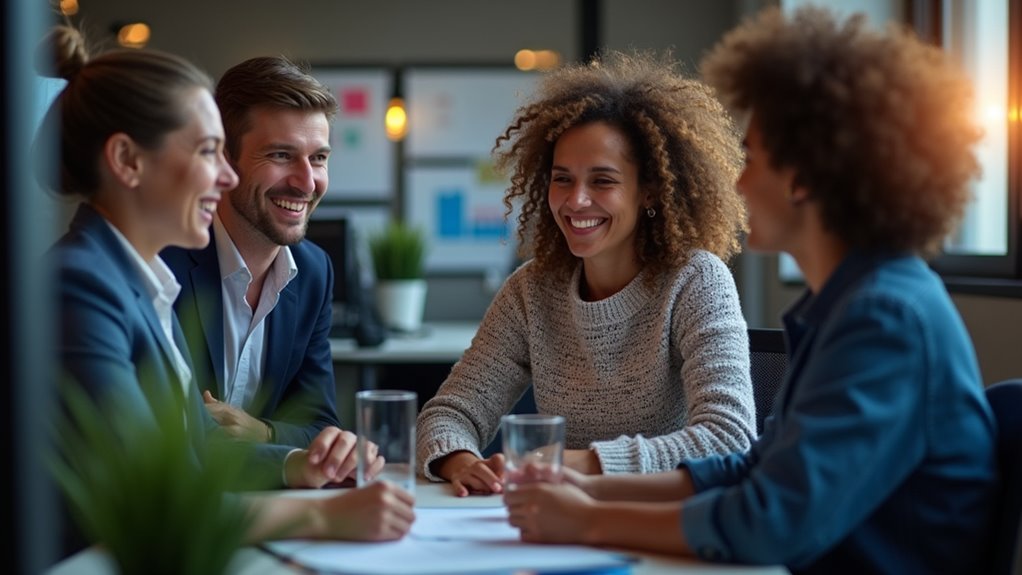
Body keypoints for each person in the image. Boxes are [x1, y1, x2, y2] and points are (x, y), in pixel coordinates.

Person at [502, 7, 998, 573]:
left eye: (753, 158)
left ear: (804, 177)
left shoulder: (885, 320)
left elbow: (769, 522)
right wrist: (585, 488)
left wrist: (587, 521)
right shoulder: (848, 306)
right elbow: (751, 470)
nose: (737, 181)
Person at [42, 31, 413, 544]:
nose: (225, 177)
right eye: (208, 151)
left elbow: (197, 450)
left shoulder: (143, 282)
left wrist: (295, 465)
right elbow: (154, 506)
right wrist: (324, 517)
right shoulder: (80, 283)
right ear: (127, 161)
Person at [416, 50, 756, 496]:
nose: (575, 201)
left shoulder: (696, 281)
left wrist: (590, 462)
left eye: (602, 181)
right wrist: (458, 461)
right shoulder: (531, 290)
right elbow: (449, 413)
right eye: (562, 179)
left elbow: (730, 438)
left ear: (649, 191)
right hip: (562, 520)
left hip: (660, 522)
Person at [161, 56, 341, 449]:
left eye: (319, 158)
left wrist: (263, 433)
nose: (307, 182)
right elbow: (170, 435)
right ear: (224, 159)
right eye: (280, 155)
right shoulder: (161, 261)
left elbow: (321, 425)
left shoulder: (313, 272)